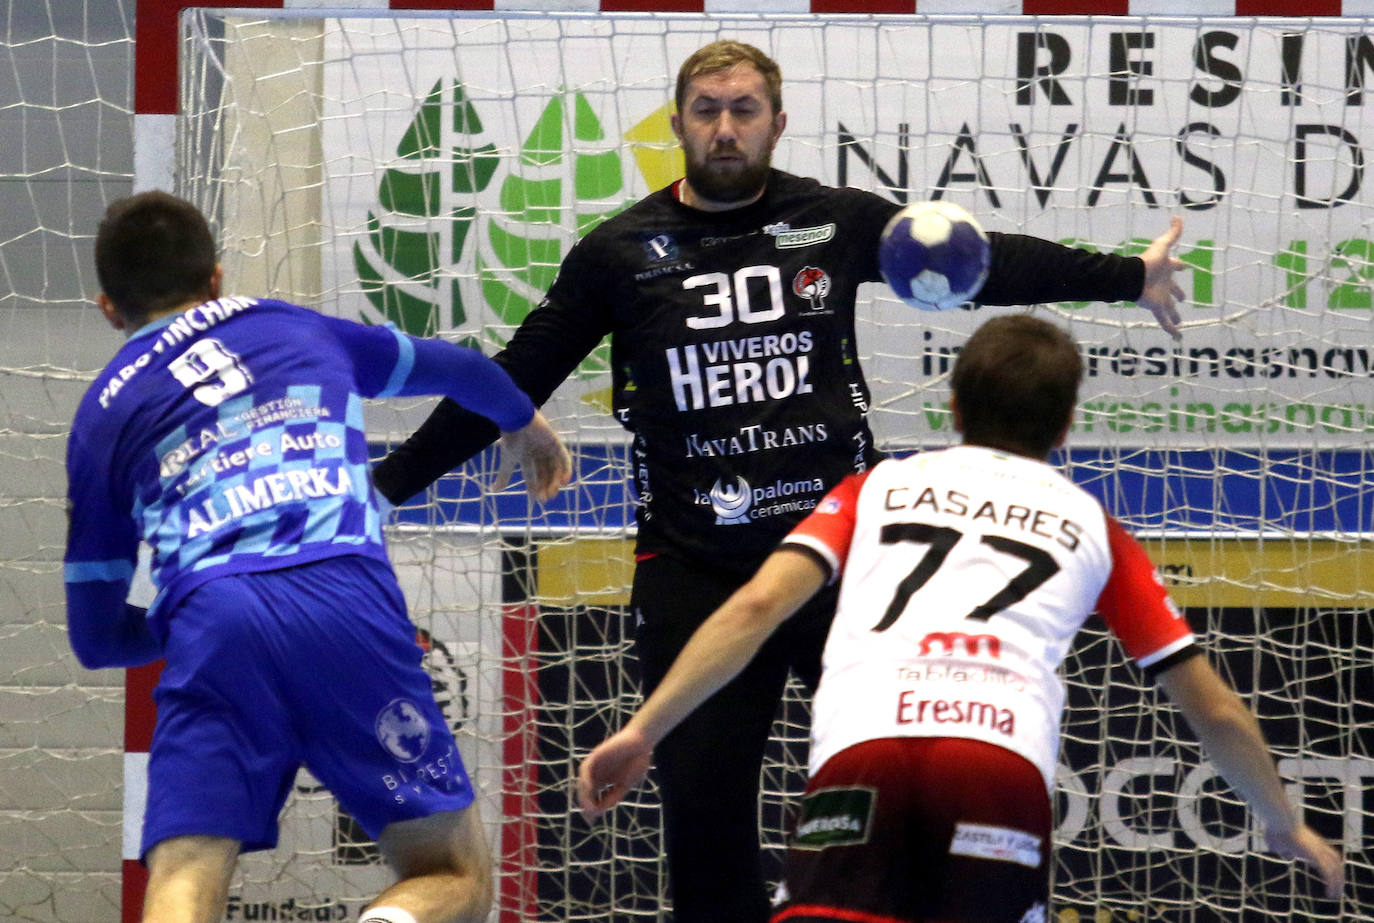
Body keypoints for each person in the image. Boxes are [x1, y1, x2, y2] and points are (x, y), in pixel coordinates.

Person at [372, 40, 1189, 923]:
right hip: (695, 569)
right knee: (703, 815)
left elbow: (981, 263)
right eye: (707, 110)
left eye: (744, 110)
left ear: (776, 122)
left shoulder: (832, 220)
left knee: (902, 782)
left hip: (840, 562)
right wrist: (380, 491)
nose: (725, 128)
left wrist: (1129, 276)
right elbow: (514, 374)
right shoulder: (618, 253)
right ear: (679, 122)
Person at [577, 313, 1346, 923]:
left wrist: (645, 729)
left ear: (952, 406)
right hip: (995, 768)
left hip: (864, 756)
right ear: (1067, 425)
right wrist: (1283, 821)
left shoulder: (874, 487)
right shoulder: (1093, 526)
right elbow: (1211, 706)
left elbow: (755, 605)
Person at [63, 191, 572, 923]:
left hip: (212, 619)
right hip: (344, 598)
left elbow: (95, 639)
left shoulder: (103, 414)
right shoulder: (292, 327)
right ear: (216, 278)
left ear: (109, 308)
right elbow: (461, 369)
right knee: (453, 871)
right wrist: (524, 422)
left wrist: (182, 600)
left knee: (183, 874)